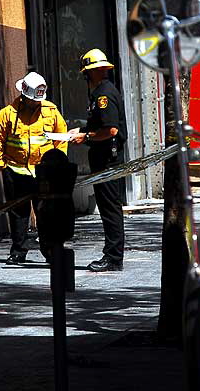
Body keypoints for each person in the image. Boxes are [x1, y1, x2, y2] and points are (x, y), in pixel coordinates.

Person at [0, 71, 68, 265]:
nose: (36, 103)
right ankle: (18, 251)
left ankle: (50, 251)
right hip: (16, 172)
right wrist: (2, 165)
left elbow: (61, 135)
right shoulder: (8, 113)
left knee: (46, 213)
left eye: (38, 100)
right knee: (18, 214)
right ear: (24, 96)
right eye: (33, 100)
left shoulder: (50, 111)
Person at [69, 49, 127, 272]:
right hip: (103, 158)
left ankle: (113, 257)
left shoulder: (104, 95)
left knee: (110, 208)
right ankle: (112, 255)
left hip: (108, 160)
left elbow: (111, 130)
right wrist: (81, 129)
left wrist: (86, 136)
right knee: (107, 207)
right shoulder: (99, 93)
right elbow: (100, 126)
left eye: (87, 72)